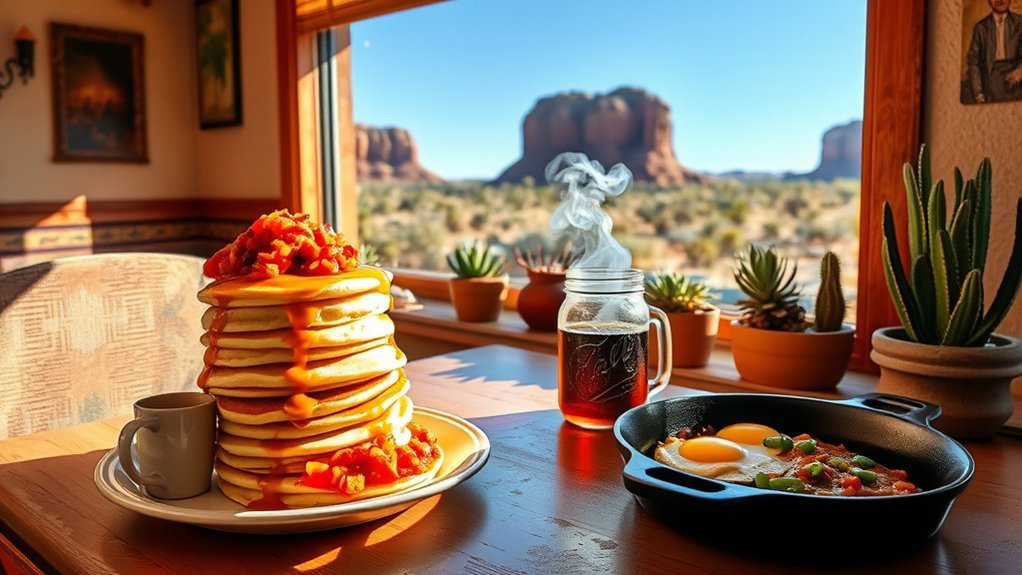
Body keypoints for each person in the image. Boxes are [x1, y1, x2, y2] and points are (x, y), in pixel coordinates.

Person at [966, 0, 1022, 103]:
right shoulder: (981, 28)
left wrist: (1021, 70)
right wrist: (978, 93)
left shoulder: (1020, 23)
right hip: (991, 77)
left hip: (1016, 79)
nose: (1000, 0)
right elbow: (973, 62)